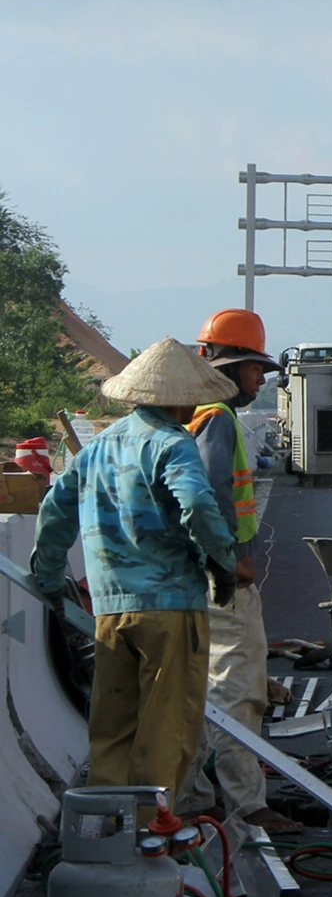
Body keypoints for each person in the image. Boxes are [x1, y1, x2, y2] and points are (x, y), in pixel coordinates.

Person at [31, 339, 239, 807]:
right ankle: (150, 838)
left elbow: (54, 514)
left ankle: (106, 833)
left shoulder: (96, 448)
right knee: (168, 730)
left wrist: (47, 579)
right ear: (177, 398)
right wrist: (221, 562)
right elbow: (199, 506)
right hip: (169, 609)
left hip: (109, 611)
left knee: (112, 731)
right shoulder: (171, 443)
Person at [175, 309, 301, 835]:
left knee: (203, 691)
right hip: (223, 580)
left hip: (195, 578)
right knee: (240, 688)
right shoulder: (219, 419)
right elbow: (209, 495)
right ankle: (246, 802)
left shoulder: (191, 415)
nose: (260, 380)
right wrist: (231, 560)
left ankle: (194, 796)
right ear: (227, 366)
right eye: (254, 370)